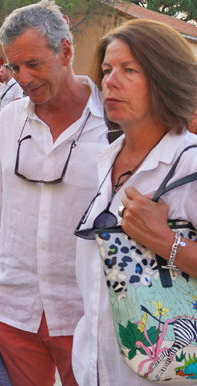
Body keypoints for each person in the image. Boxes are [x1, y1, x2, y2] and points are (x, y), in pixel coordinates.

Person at [0, 1, 108, 385]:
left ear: (65, 50)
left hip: (86, 317)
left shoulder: (112, 124)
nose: (24, 77)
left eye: (33, 63)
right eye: (15, 67)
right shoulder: (10, 119)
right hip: (13, 313)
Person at [72, 19, 197, 386]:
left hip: (165, 376)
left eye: (130, 70)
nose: (111, 80)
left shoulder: (189, 164)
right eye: (108, 69)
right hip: (93, 367)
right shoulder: (107, 159)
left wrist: (166, 241)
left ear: (164, 78)